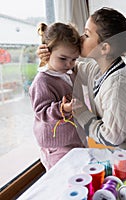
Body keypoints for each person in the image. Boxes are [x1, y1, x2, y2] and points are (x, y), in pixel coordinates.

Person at [38, 7, 126, 151]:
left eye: (87, 35)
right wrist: (51, 56)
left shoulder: (118, 85)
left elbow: (111, 137)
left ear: (104, 48)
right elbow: (69, 66)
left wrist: (81, 112)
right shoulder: (98, 70)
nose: (80, 38)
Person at [30, 22, 86, 170]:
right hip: (56, 145)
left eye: (73, 59)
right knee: (62, 178)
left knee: (78, 173)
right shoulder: (43, 80)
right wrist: (64, 108)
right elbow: (42, 112)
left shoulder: (68, 73)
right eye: (63, 59)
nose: (69, 64)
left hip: (73, 138)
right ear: (47, 53)